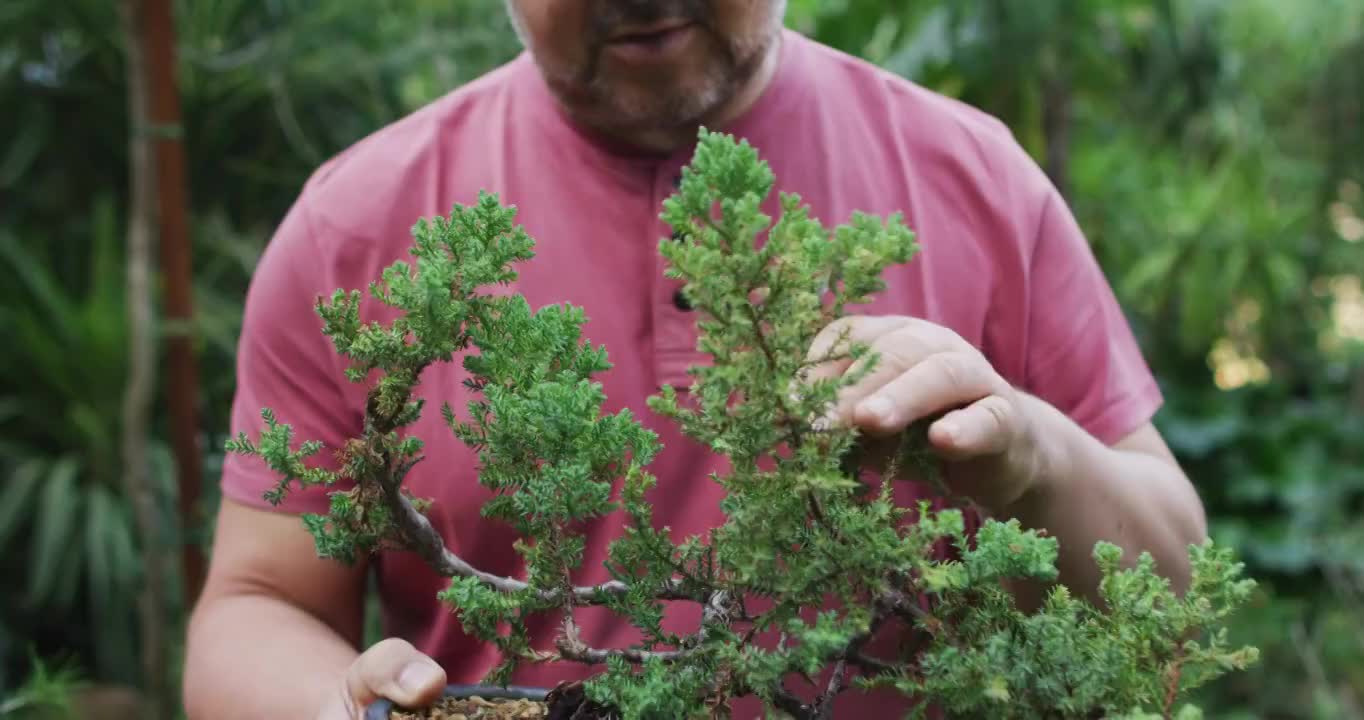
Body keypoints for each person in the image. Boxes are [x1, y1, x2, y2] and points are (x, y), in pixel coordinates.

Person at [182, 1, 1209, 718]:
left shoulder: (971, 177)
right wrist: (340, 706)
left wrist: (1033, 459)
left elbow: (1173, 595)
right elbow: (255, 607)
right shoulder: (357, 230)